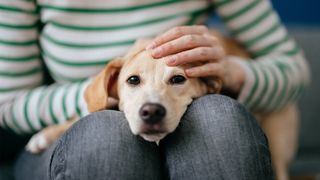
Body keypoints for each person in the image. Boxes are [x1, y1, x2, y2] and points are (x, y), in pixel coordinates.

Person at [0, 0, 309, 179]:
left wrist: (229, 71)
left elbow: (292, 67)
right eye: (134, 81)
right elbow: (9, 104)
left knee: (219, 119)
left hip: (191, 130)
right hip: (74, 141)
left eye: (175, 79)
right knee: (105, 135)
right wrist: (106, 95)